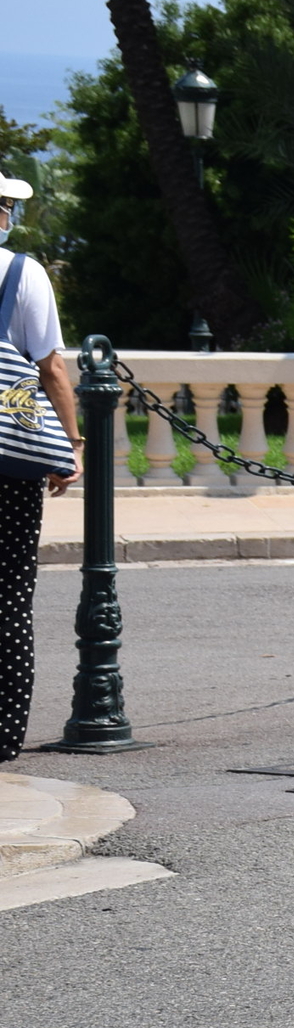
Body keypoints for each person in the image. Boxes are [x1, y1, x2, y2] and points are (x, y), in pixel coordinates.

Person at [0, 173, 82, 762]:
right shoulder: (21, 273)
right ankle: (2, 734)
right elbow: (51, 367)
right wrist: (67, 445)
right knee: (8, 595)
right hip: (8, 454)